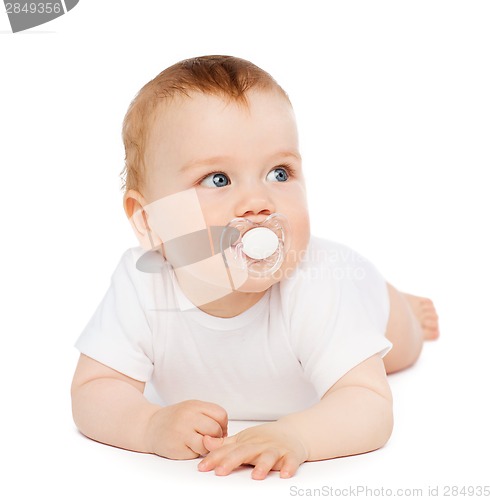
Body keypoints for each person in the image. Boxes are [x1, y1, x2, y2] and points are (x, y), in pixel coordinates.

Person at [71, 55, 439, 480]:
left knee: (400, 345)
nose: (259, 202)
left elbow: (369, 404)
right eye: (218, 180)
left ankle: (404, 308)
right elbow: (92, 390)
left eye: (279, 173)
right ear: (148, 220)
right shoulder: (141, 281)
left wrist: (296, 436)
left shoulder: (317, 282)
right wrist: (148, 425)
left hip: (363, 294)